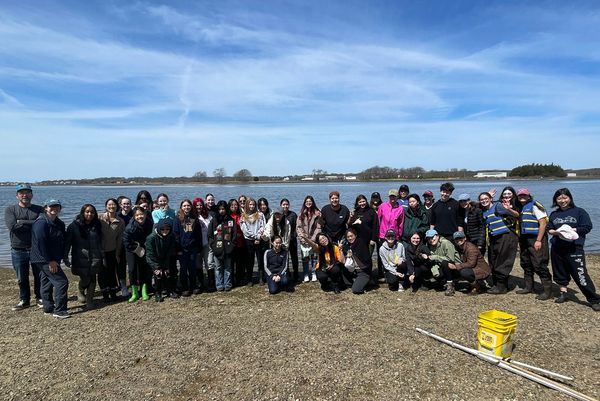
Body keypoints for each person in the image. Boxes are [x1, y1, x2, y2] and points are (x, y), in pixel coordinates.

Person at [547, 188, 599, 311]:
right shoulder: (554, 214)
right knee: (560, 272)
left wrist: (571, 230)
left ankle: (594, 299)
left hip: (574, 248)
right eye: (559, 198)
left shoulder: (579, 212)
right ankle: (563, 293)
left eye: (565, 197)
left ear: (570, 198)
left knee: (580, 274)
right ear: (555, 200)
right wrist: (555, 232)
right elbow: (549, 228)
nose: (562, 200)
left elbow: (587, 227)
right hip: (557, 247)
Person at [4, 183, 44, 310]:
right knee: (21, 277)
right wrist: (33, 223)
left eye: (27, 192)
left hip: (36, 248)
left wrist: (21, 222)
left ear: (32, 194)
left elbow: (42, 225)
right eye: (21, 193)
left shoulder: (39, 209)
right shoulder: (10, 210)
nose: (24, 195)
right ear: (17, 196)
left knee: (39, 275)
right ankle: (24, 300)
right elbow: (13, 227)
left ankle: (40, 298)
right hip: (18, 249)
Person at [30, 199, 69, 318]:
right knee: (62, 282)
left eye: (57, 207)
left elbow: (62, 241)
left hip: (53, 258)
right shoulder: (41, 222)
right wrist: (50, 261)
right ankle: (60, 311)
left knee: (46, 281)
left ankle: (48, 307)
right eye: (51, 207)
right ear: (45, 208)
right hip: (43, 259)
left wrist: (63, 257)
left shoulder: (59, 223)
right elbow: (41, 243)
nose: (54, 209)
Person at [480, 187, 520, 294]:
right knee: (493, 260)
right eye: (482, 199)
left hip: (505, 236)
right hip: (494, 237)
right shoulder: (485, 210)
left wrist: (509, 209)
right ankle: (498, 284)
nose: (484, 201)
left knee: (502, 260)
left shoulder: (498, 206)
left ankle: (501, 286)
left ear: (491, 199)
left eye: (486, 199)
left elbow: (516, 215)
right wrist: (487, 194)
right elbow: (474, 204)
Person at [516, 188, 552, 300]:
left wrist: (538, 240)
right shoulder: (521, 208)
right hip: (525, 239)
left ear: (529, 196)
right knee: (526, 262)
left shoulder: (535, 206)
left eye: (524, 195)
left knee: (539, 263)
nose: (522, 197)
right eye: (520, 195)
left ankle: (547, 291)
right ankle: (529, 287)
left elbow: (543, 223)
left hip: (535, 238)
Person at [65, 204, 104, 307]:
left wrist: (103, 256)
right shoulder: (74, 226)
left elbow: (101, 242)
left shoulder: (97, 225)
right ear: (82, 213)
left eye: (92, 212)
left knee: (92, 278)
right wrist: (65, 257)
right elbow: (67, 243)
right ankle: (81, 289)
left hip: (95, 256)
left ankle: (90, 300)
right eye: (87, 212)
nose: (89, 214)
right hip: (80, 257)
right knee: (85, 278)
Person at [123, 206, 154, 302]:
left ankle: (144, 290)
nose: (139, 217)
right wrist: (137, 249)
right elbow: (126, 241)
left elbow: (151, 236)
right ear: (134, 216)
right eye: (137, 215)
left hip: (144, 248)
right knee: (132, 270)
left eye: (141, 214)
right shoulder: (130, 227)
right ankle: (134, 292)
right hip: (131, 249)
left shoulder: (149, 223)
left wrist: (146, 248)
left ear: (145, 214)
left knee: (143, 269)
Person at [446, 231, 491, 296]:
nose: (458, 240)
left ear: (465, 238)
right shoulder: (459, 247)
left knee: (464, 272)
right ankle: (474, 283)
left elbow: (471, 263)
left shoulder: (471, 248)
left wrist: (456, 266)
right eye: (456, 239)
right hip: (474, 268)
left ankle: (477, 287)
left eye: (460, 238)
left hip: (481, 270)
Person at [173, 199, 202, 297]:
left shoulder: (194, 218)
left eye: (188, 205)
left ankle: (193, 286)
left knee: (192, 268)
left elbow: (198, 234)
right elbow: (176, 234)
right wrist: (178, 249)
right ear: (181, 207)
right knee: (183, 268)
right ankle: (185, 287)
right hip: (182, 249)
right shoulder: (177, 218)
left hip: (193, 248)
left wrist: (199, 248)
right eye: (184, 206)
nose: (186, 207)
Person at [99, 198, 124, 302]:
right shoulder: (99, 217)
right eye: (109, 205)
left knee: (112, 272)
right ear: (106, 206)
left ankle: (113, 293)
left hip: (112, 250)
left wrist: (117, 254)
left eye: (113, 205)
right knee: (101, 273)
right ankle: (105, 294)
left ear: (117, 206)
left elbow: (119, 239)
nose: (111, 206)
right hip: (100, 251)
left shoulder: (120, 221)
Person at [208, 200, 237, 291]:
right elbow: (210, 235)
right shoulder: (214, 221)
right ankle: (219, 285)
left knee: (228, 267)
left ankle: (227, 284)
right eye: (220, 209)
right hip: (217, 249)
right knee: (218, 268)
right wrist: (213, 246)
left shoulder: (231, 220)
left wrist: (231, 246)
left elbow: (234, 235)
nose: (221, 211)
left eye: (223, 209)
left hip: (228, 249)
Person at [146, 218, 177, 301]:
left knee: (170, 272)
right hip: (154, 259)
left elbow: (169, 252)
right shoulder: (151, 238)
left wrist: (166, 266)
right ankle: (158, 292)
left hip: (165, 258)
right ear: (159, 228)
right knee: (158, 274)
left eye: (167, 229)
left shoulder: (171, 236)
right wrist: (156, 267)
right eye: (162, 229)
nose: (165, 231)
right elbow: (150, 255)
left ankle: (170, 290)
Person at [421, 229, 461, 294]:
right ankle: (442, 282)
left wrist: (435, 257)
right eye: (428, 239)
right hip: (443, 267)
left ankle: (450, 285)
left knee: (444, 263)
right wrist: (435, 272)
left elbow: (450, 259)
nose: (430, 240)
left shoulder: (446, 243)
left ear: (437, 236)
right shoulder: (432, 246)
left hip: (455, 267)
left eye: (432, 237)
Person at [377, 189, 404, 279]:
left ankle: (393, 271)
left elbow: (401, 223)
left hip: (394, 236)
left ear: (397, 197)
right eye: (391, 196)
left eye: (394, 196)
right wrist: (377, 234)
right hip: (382, 234)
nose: (392, 198)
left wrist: (399, 235)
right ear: (389, 197)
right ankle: (381, 273)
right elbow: (378, 220)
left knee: (394, 255)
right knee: (381, 254)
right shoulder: (382, 206)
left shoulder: (400, 209)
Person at [240, 197, 266, 286]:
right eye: (250, 204)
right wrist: (254, 236)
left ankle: (261, 278)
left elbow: (263, 226)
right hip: (249, 241)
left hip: (259, 240)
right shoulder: (244, 216)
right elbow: (244, 229)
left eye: (253, 204)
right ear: (247, 205)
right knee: (249, 260)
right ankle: (249, 279)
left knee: (260, 260)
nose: (252, 206)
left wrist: (258, 237)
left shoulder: (260, 215)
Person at [296, 195, 321, 283]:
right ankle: (306, 274)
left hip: (314, 239)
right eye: (307, 202)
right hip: (304, 240)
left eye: (310, 201)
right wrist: (303, 238)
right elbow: (298, 227)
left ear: (313, 202)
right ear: (304, 203)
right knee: (305, 258)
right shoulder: (301, 214)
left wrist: (313, 239)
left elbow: (319, 228)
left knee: (314, 257)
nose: (308, 203)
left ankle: (313, 273)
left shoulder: (317, 213)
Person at [343, 228, 372, 294]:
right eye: (348, 237)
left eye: (351, 236)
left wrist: (351, 252)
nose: (350, 238)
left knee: (356, 290)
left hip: (363, 271)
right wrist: (341, 251)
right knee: (342, 268)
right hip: (353, 271)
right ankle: (354, 281)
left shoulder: (360, 242)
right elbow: (343, 261)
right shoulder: (346, 247)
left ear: (355, 236)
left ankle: (366, 281)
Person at [194, 198, 214, 292]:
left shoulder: (208, 216)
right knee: (198, 265)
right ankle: (200, 284)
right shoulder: (192, 217)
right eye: (197, 205)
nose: (199, 207)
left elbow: (213, 229)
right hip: (196, 245)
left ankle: (211, 283)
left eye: (201, 205)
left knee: (209, 263)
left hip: (207, 243)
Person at [116, 196, 133, 296]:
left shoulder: (134, 214)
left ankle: (134, 283)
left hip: (132, 244)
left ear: (131, 205)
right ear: (120, 205)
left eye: (128, 204)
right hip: (120, 244)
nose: (126, 205)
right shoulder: (117, 216)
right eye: (124, 204)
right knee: (121, 265)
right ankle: (123, 286)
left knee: (132, 267)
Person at [280, 198, 300, 283]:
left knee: (294, 257)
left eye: (287, 204)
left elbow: (297, 226)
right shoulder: (279, 214)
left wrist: (294, 235)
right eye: (284, 204)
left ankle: (296, 274)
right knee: (285, 258)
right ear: (281, 205)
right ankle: (286, 274)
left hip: (292, 239)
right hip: (282, 240)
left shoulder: (293, 214)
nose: (285, 206)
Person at [228, 199, 246, 287]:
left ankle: (240, 278)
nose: (234, 207)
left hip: (241, 242)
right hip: (231, 243)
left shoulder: (241, 216)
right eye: (232, 205)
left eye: (235, 205)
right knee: (231, 262)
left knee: (240, 262)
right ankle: (231, 279)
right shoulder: (227, 216)